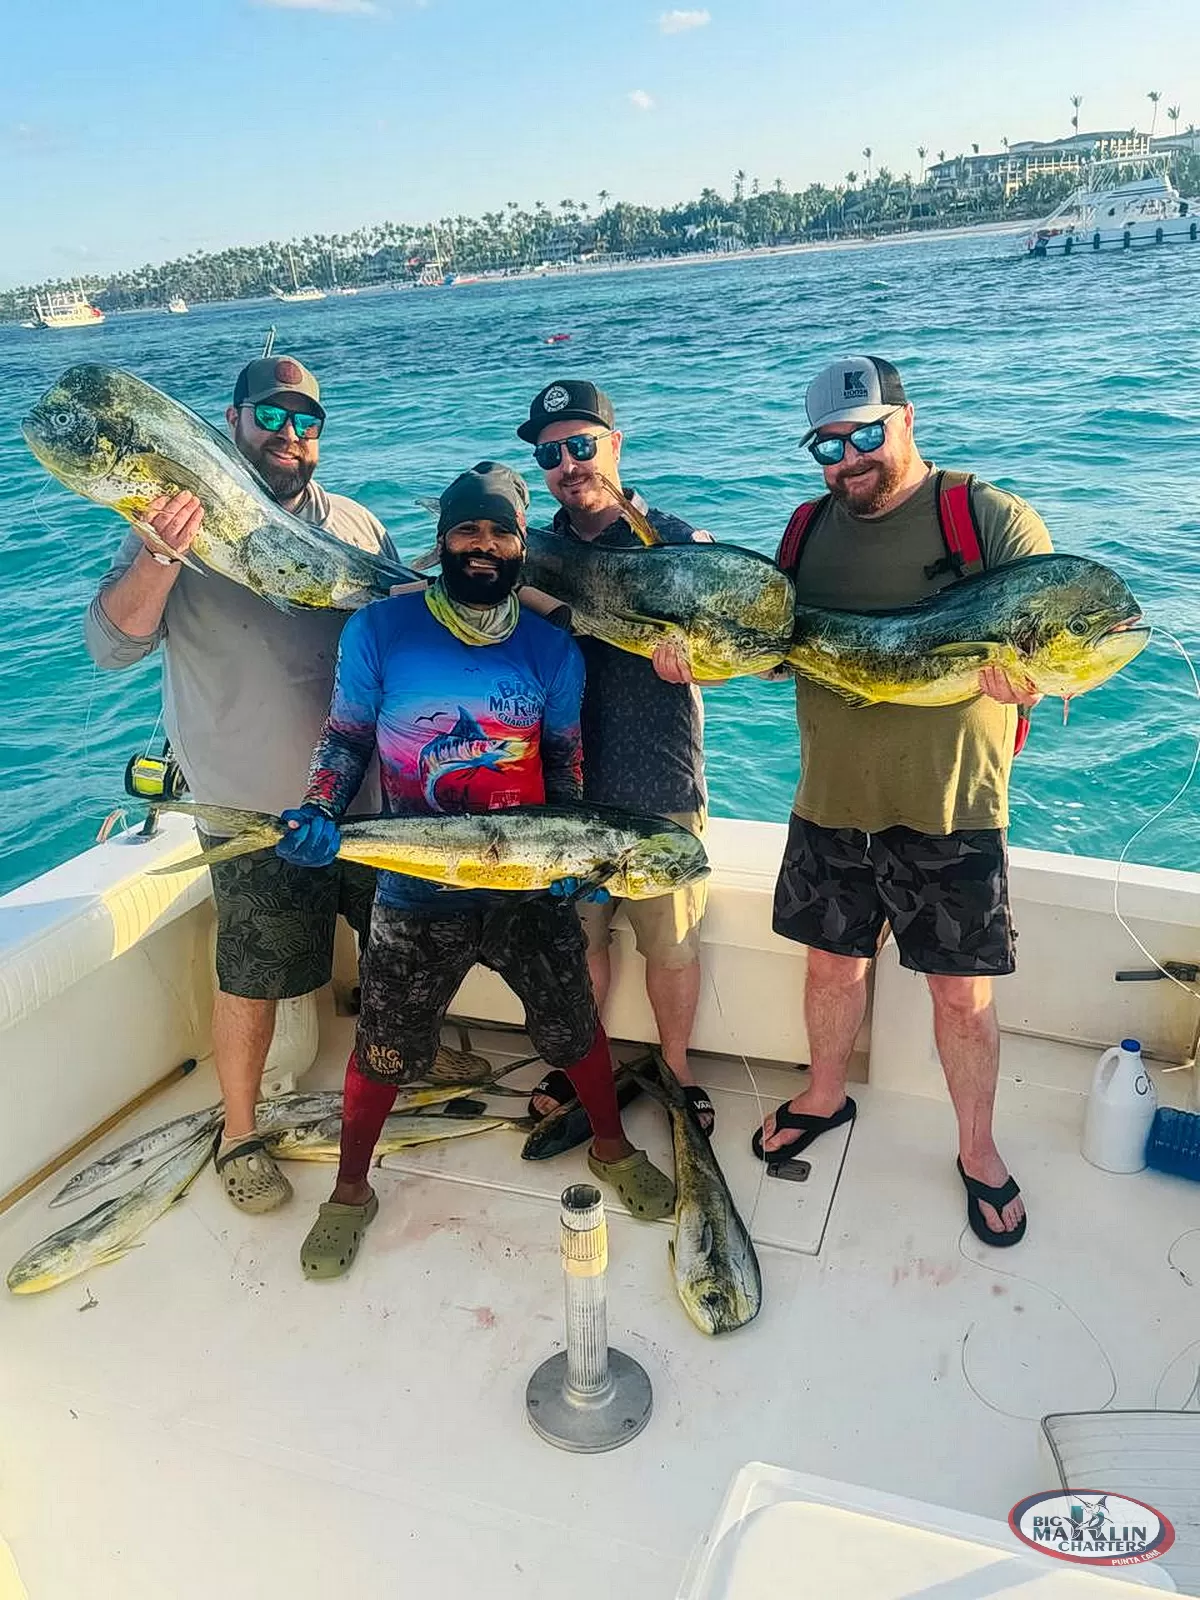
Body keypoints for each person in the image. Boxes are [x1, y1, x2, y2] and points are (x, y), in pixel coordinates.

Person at [279, 463, 676, 1280]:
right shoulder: (381, 629)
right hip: (415, 885)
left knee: (574, 1029)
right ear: (443, 540)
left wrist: (576, 857)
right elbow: (346, 738)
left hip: (527, 883)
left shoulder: (551, 648)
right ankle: (351, 1189)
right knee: (383, 1048)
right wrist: (319, 808)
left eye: (500, 531)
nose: (483, 544)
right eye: (468, 529)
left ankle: (609, 1146)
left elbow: (564, 764)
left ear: (521, 546)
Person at [84, 355, 401, 1215]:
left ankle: (407, 1062)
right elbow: (111, 647)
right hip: (253, 807)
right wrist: (160, 554)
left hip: (367, 801)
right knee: (251, 977)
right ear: (231, 422)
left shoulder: (359, 527)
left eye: (306, 421)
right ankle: (238, 1132)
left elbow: (403, 644)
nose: (289, 435)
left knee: (397, 948)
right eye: (271, 416)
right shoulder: (169, 524)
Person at [756, 356, 1053, 1247]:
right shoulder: (805, 530)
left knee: (961, 998)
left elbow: (1053, 634)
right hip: (830, 798)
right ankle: (824, 1095)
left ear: (907, 419)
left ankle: (976, 1149)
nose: (849, 458)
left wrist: (1027, 677)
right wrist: (696, 656)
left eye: (866, 435)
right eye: (828, 445)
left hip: (952, 808)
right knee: (830, 969)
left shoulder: (986, 518)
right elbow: (771, 652)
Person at [516, 380, 715, 1135]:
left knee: (672, 945)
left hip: (661, 778)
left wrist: (695, 662)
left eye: (581, 445)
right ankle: (582, 1060)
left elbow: (732, 657)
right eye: (551, 454)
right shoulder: (535, 550)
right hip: (568, 785)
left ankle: (677, 1067)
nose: (568, 464)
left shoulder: (676, 543)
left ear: (615, 444)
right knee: (579, 943)